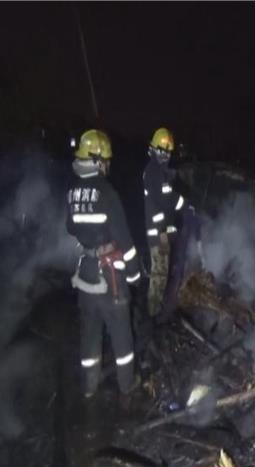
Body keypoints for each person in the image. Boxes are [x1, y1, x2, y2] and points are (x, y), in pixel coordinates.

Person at [66, 129, 141, 398]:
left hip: (86, 272)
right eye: (106, 160)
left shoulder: (73, 192)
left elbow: (70, 227)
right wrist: (134, 274)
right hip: (111, 278)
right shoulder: (108, 193)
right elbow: (125, 239)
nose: (108, 165)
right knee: (122, 336)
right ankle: (127, 386)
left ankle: (89, 387)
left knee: (90, 334)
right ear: (97, 161)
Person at [143, 128, 183, 318]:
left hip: (163, 233)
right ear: (154, 149)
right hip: (158, 235)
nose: (166, 155)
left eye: (168, 152)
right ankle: (152, 316)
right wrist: (163, 233)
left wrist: (184, 204)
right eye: (162, 151)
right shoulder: (153, 172)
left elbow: (168, 199)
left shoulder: (160, 172)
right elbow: (157, 206)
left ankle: (155, 311)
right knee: (158, 277)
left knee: (162, 275)